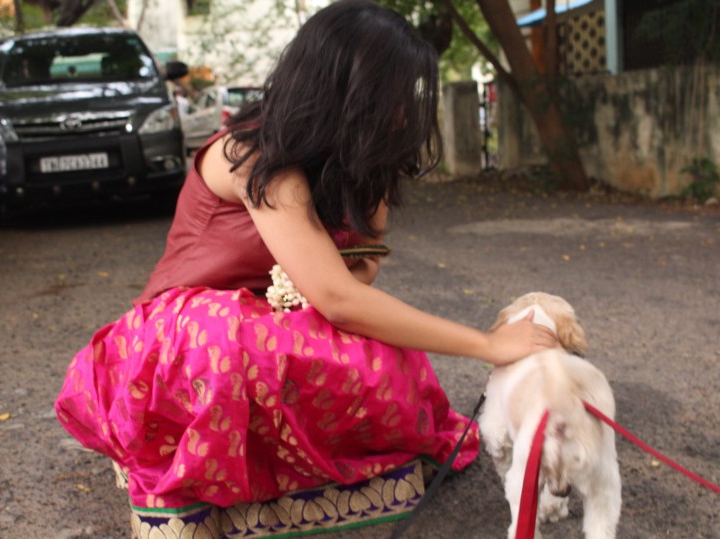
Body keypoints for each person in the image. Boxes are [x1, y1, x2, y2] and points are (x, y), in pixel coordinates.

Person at [54, 1, 557, 537]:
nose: (405, 114)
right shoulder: (253, 155)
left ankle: (282, 470)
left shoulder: (347, 162)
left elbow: (360, 274)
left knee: (385, 358)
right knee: (226, 341)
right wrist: (487, 344)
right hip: (180, 341)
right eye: (396, 96)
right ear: (352, 92)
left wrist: (372, 179)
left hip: (274, 325)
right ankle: (193, 478)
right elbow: (339, 298)